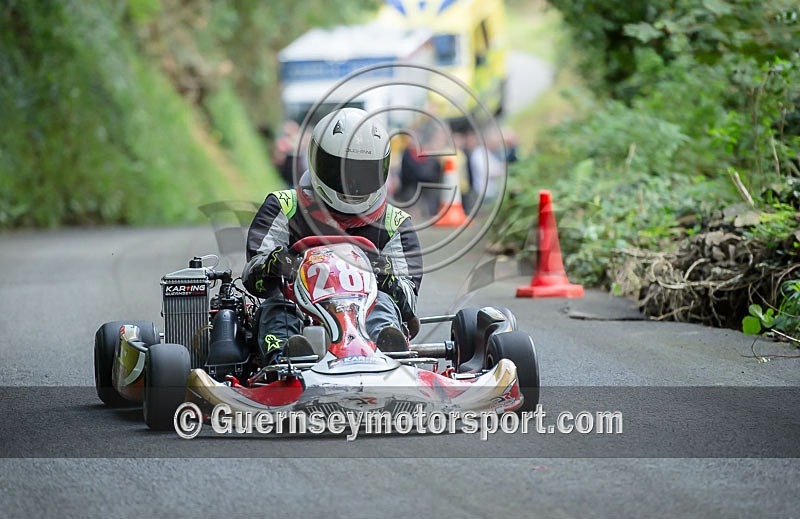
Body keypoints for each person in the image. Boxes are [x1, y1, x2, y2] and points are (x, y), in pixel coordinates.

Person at [242, 108, 422, 363]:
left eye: (362, 172)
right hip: (302, 312)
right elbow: (252, 278)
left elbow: (408, 302)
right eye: (341, 171)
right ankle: (286, 361)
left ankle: (387, 353)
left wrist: (385, 274)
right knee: (279, 305)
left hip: (364, 313)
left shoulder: (395, 224)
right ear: (318, 161)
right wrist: (275, 265)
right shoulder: (284, 206)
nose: (352, 184)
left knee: (382, 302)